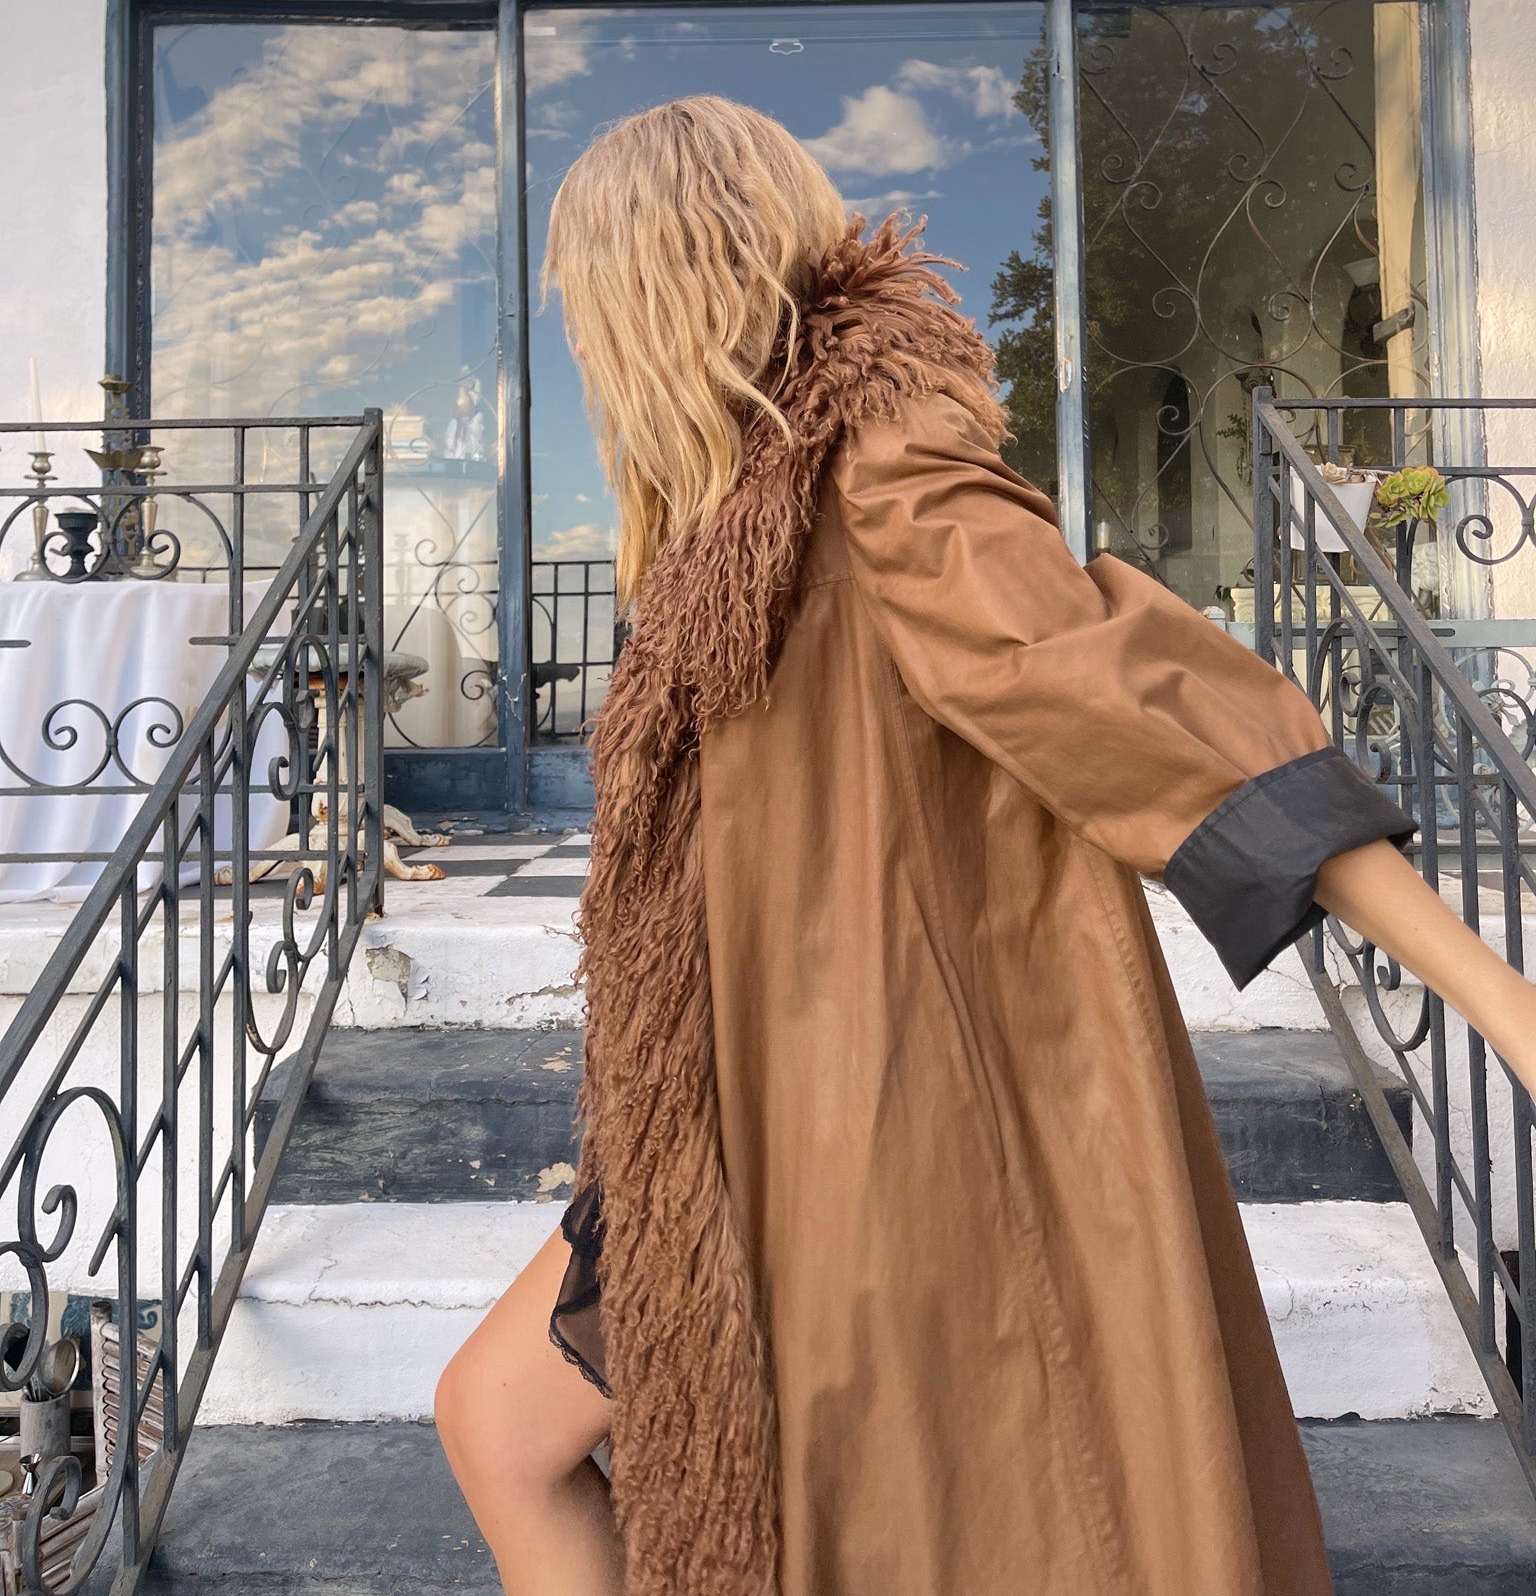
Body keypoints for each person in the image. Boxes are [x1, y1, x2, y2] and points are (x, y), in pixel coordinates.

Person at [434, 96, 1536, 1596]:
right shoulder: (743, 518)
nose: (586, 347)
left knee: (536, 1434)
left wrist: (1501, 1000)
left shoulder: (876, 473)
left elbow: (1155, 703)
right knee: (504, 1426)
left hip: (859, 1120)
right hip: (735, 1112)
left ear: (665, 285)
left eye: (595, 302)